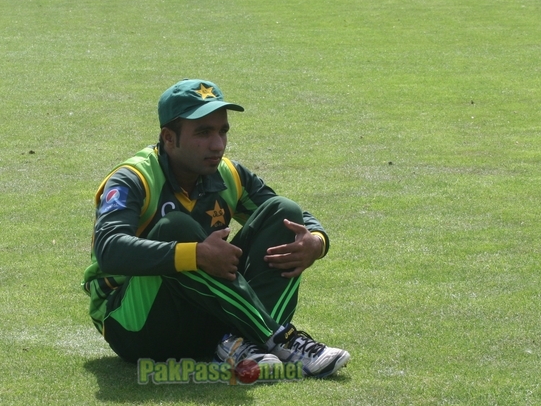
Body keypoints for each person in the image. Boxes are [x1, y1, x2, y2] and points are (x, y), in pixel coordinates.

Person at [82, 79, 349, 378]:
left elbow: (290, 215)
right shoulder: (132, 179)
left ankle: (238, 345)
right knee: (176, 227)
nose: (218, 144)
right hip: (137, 327)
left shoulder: (228, 173)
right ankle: (279, 338)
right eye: (203, 133)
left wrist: (316, 241)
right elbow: (109, 250)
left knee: (283, 213)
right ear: (169, 138)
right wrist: (196, 255)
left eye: (222, 131)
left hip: (207, 321)